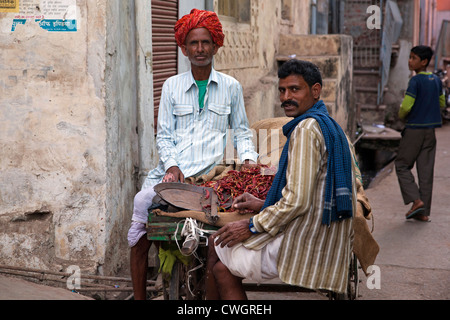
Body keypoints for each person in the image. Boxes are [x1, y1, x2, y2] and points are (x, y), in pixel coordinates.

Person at [127, 9, 258, 300]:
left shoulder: (231, 87)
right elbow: (164, 136)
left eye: (205, 43)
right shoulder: (171, 86)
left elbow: (242, 132)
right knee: (141, 220)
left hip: (209, 178)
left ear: (215, 46)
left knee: (216, 233)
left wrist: (249, 160)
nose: (200, 49)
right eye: (193, 44)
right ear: (184, 49)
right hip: (172, 176)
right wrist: (172, 166)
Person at [206, 59, 357, 299]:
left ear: (315, 91)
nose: (286, 96)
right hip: (323, 231)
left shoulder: (305, 131)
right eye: (282, 90)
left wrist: (250, 225)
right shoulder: (327, 125)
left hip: (305, 239)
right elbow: (309, 189)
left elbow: (297, 201)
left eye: (295, 89)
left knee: (218, 254)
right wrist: (262, 204)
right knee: (219, 246)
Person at [396, 45, 446, 222]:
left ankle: (416, 201)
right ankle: (424, 213)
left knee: (402, 165)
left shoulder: (415, 81)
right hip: (430, 131)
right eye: (410, 57)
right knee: (426, 172)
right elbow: (441, 103)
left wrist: (401, 116)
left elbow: (406, 106)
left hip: (414, 130)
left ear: (423, 62)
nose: (410, 61)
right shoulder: (437, 80)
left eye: (413, 58)